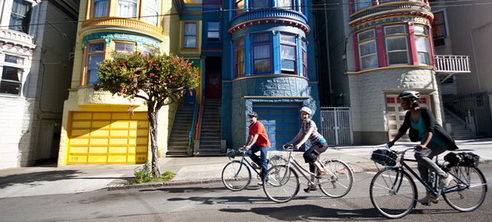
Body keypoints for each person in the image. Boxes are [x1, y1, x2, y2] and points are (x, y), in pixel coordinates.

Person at [387, 90, 459, 205]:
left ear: (411, 101)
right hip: (427, 144)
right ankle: (431, 195)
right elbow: (403, 129)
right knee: (422, 168)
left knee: (419, 155)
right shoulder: (409, 115)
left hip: (440, 143)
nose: (401, 104)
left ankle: (444, 176)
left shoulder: (425, 111)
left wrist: (424, 145)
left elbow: (430, 129)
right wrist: (392, 142)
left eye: (403, 101)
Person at [285, 107, 329, 192]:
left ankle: (321, 170)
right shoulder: (303, 124)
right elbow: (299, 135)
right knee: (311, 164)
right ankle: (312, 185)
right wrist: (290, 142)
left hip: (321, 144)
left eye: (306, 114)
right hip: (315, 144)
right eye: (302, 114)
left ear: (309, 115)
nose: (304, 116)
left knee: (307, 155)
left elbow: (307, 135)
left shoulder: (311, 123)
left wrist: (300, 144)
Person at [244, 111, 271, 185]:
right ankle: (260, 163)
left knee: (264, 162)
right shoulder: (251, 126)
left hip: (264, 144)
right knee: (248, 152)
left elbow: (255, 137)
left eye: (252, 117)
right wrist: (246, 145)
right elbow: (250, 137)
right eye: (250, 117)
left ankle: (265, 179)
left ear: (256, 118)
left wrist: (249, 145)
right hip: (258, 144)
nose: (250, 119)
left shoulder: (259, 125)